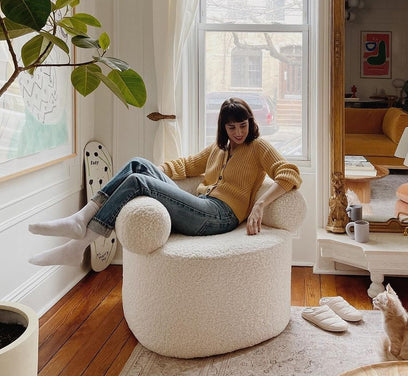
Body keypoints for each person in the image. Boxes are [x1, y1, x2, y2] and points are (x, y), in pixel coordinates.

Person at [28, 97, 302, 266]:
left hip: (221, 216)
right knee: (138, 165)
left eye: (243, 125)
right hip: (201, 205)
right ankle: (81, 218)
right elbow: (184, 165)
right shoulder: (218, 148)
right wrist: (154, 172)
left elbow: (289, 173)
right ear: (224, 128)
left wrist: (260, 204)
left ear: (250, 123)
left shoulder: (258, 147)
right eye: (232, 127)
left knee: (137, 181)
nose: (239, 132)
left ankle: (78, 245)